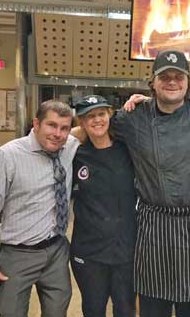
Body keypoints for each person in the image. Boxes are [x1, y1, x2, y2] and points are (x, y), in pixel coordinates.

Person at [116, 50, 190, 317]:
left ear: (189, 83)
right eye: (165, 76)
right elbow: (94, 128)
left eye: (179, 76)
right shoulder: (132, 117)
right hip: (154, 225)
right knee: (153, 307)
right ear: (152, 82)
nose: (172, 81)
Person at [0, 100, 80, 317]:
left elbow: (93, 126)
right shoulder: (7, 156)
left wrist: (137, 103)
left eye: (64, 128)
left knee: (58, 311)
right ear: (36, 124)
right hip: (17, 255)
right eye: (51, 125)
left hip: (57, 250)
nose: (57, 134)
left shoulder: (68, 146)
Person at [70, 95, 137, 317]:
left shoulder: (127, 150)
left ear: (110, 116)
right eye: (90, 116)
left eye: (101, 114)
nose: (97, 120)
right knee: (93, 309)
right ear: (81, 122)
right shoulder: (74, 154)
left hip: (125, 249)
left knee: (125, 309)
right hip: (89, 251)